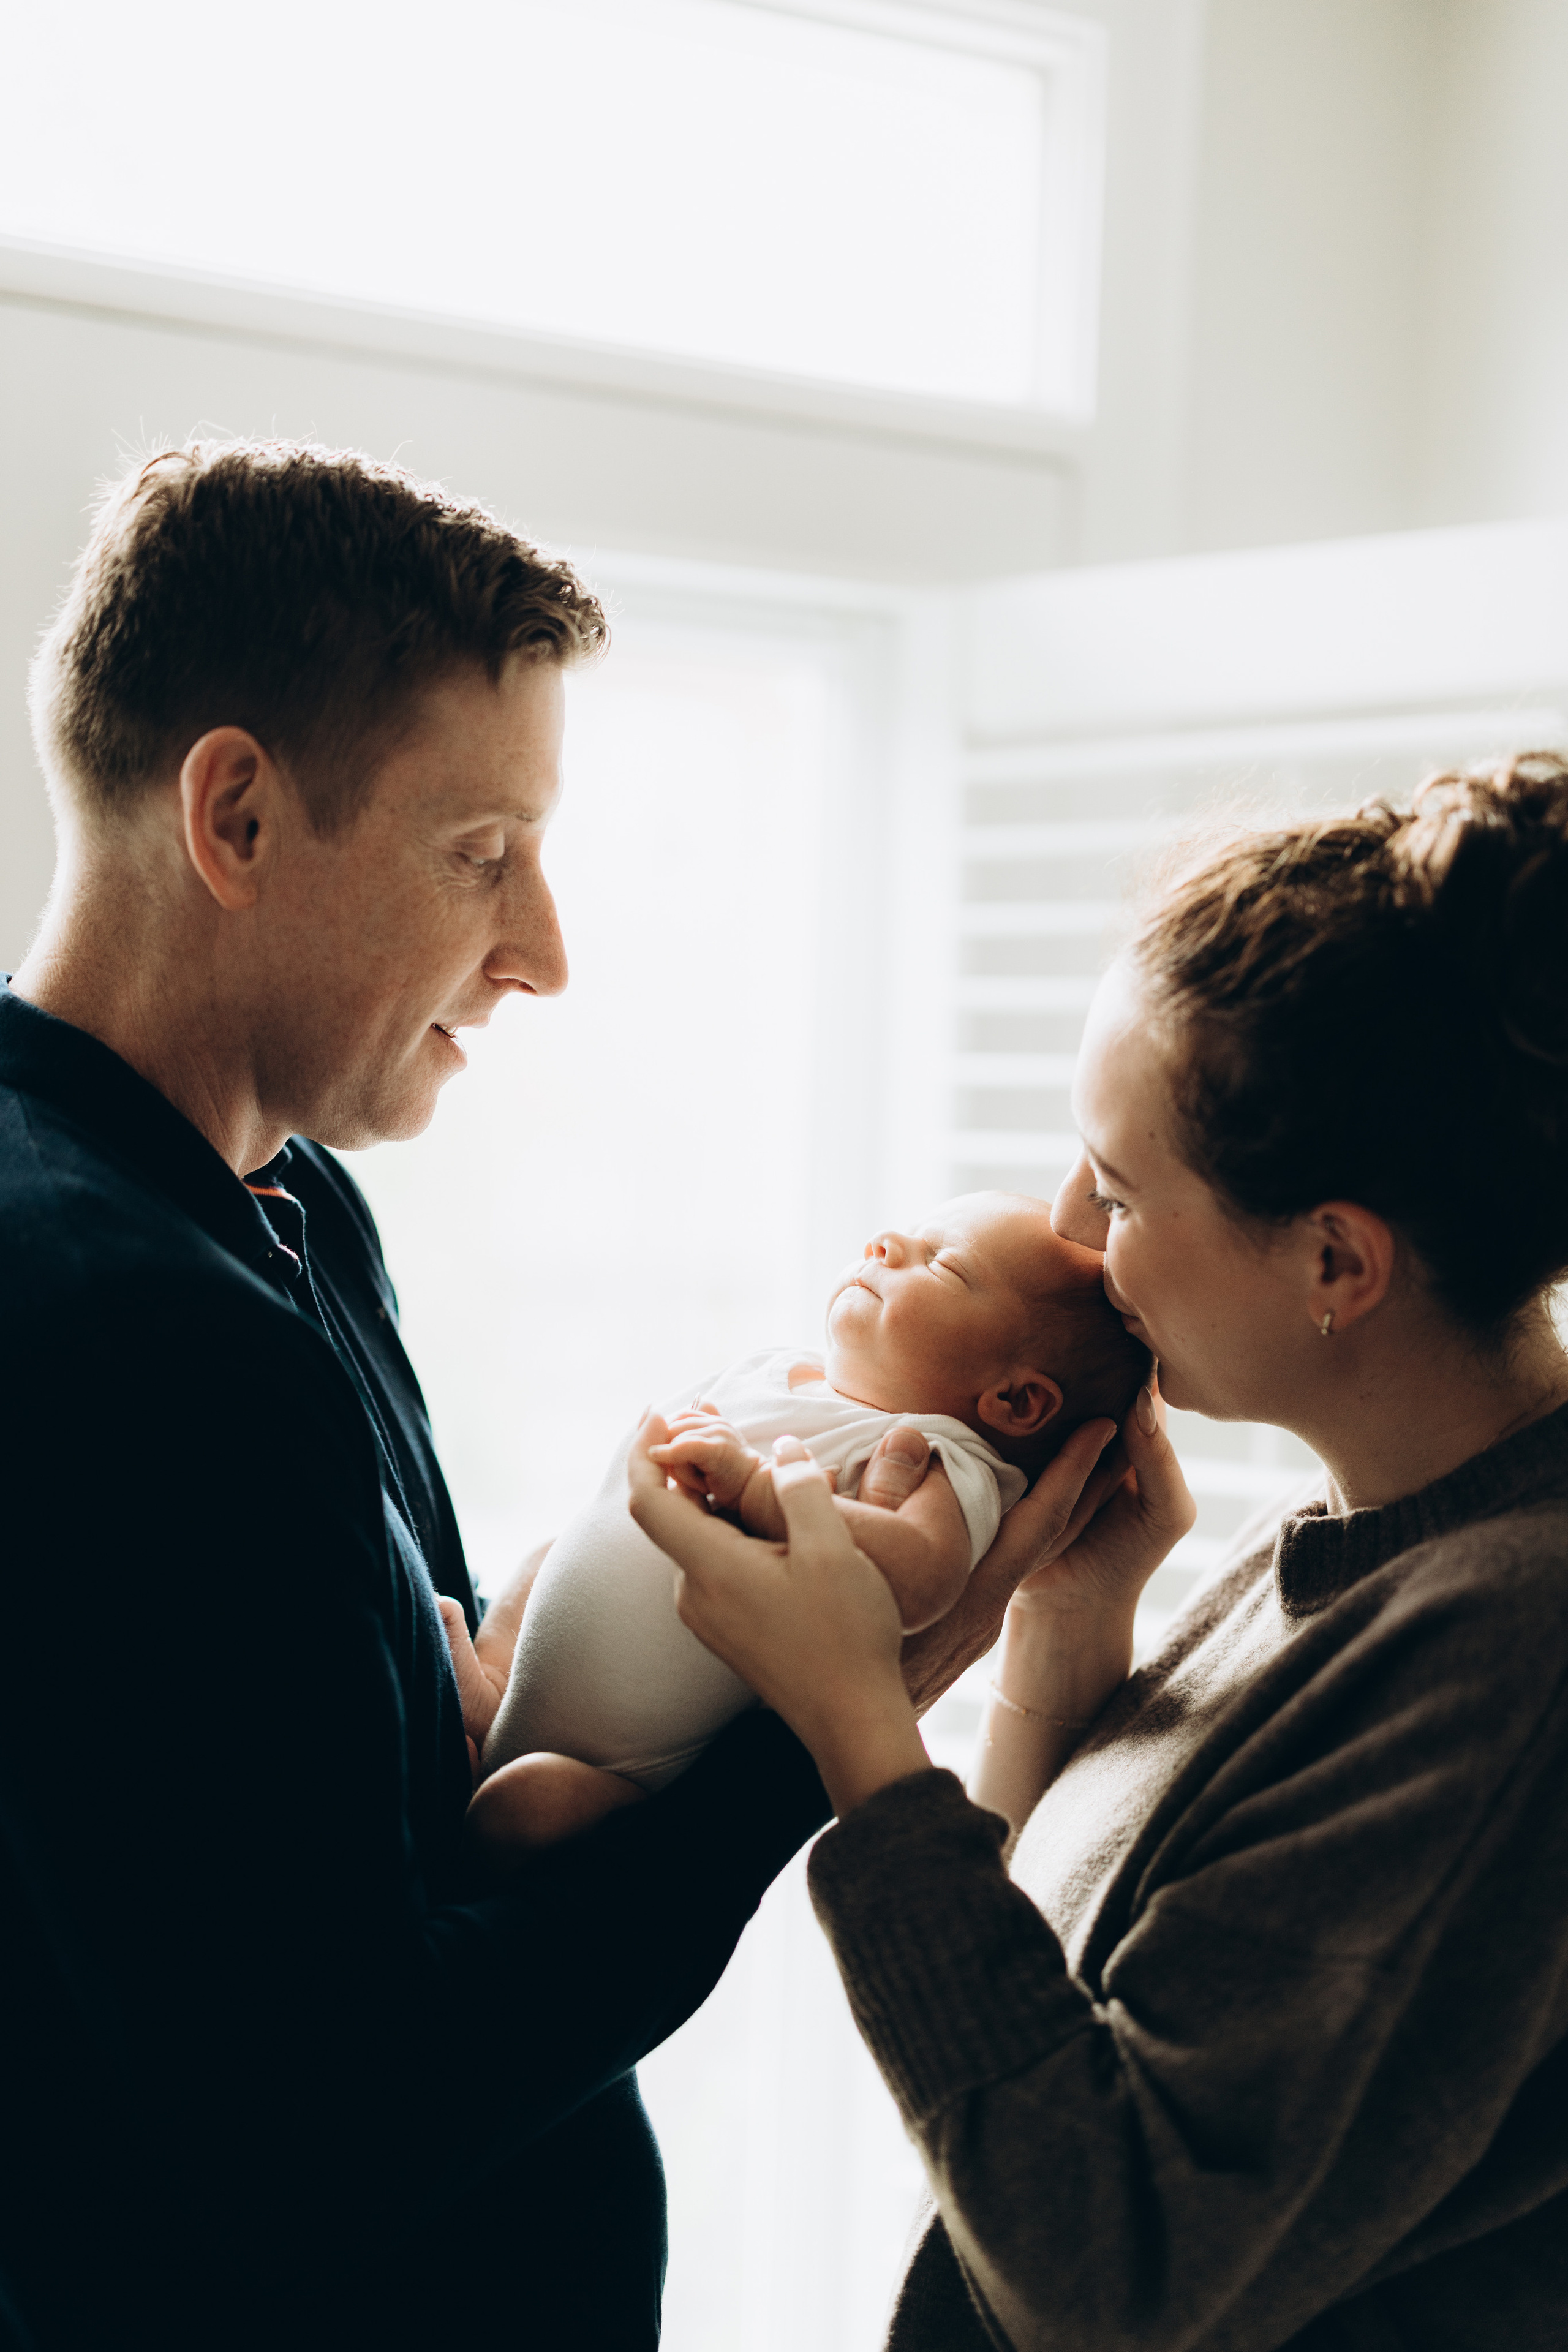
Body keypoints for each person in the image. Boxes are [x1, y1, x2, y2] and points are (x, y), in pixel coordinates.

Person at [0, 436, 1011, 2352]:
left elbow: (420, 1808)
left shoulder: (292, 1206)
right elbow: (314, 2134)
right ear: (235, 813)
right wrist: (822, 1724)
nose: (545, 949)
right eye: (484, 854)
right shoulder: (110, 1322)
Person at [629, 757, 1568, 2351]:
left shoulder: (1507, 1644)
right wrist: (1078, 1633)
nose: (1070, 1226)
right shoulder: (1362, 1545)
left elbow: (1104, 2268)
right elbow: (1041, 2026)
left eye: (1120, 1187)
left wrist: (860, 1723)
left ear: (1337, 1260)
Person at [445, 1191, 1149, 1857]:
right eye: (905, 1233)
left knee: (523, 1810)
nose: (887, 1242)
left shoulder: (942, 1455)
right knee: (547, 1553)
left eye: (942, 1263)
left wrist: (757, 1488)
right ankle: (498, 1694)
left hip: (619, 1765)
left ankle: (520, 1766)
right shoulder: (785, 1369)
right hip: (556, 1670)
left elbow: (924, 1578)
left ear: (1016, 1400)